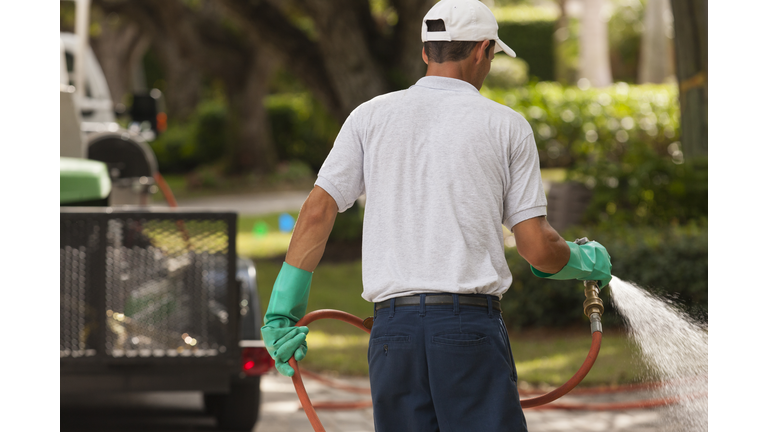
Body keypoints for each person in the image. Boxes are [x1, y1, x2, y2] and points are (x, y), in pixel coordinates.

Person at [261, 0, 612, 430]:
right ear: (483, 50)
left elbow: (318, 209)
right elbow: (537, 248)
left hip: (392, 336)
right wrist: (582, 261)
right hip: (467, 329)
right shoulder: (505, 126)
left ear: (427, 52)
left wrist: (282, 313)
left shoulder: (369, 117)